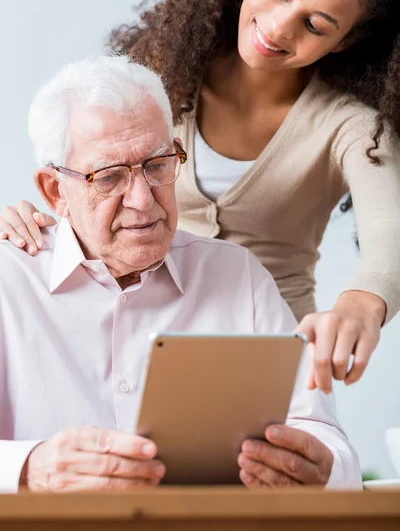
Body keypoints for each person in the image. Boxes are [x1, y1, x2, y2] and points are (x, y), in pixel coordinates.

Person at [2, 0, 400, 396]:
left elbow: (388, 229)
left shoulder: (353, 128)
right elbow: (93, 169)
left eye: (315, 24)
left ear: (344, 40)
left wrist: (361, 305)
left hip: (268, 357)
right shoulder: (164, 72)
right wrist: (35, 214)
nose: (278, 26)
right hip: (140, 338)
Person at [0, 55, 361, 493]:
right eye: (110, 177)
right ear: (54, 190)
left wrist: (322, 470)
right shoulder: (10, 279)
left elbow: (325, 440)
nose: (143, 200)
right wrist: (29, 467)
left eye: (157, 165)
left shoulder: (237, 276)